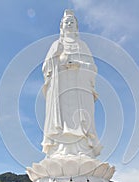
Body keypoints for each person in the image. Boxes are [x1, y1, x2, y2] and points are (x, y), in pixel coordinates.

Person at [41, 10, 102, 158]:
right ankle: (59, 150)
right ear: (61, 26)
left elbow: (92, 67)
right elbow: (46, 68)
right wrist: (57, 58)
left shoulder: (82, 45)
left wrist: (78, 64)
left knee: (82, 116)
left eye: (72, 22)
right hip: (61, 87)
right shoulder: (56, 45)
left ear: (76, 26)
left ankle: (83, 149)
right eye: (66, 22)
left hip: (80, 87)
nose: (69, 24)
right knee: (62, 118)